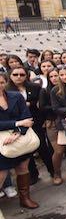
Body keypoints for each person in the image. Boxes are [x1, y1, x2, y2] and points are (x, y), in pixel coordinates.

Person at [7, 66, 53, 184]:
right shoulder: (7, 90)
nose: (19, 77)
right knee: (26, 151)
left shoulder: (35, 87)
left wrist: (31, 105)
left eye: (22, 75)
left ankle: (52, 170)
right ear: (10, 76)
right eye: (15, 75)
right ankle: (33, 174)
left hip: (36, 121)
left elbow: (41, 103)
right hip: (19, 124)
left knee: (43, 147)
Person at [0, 72, 38, 209]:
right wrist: (17, 123)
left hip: (20, 139)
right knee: (2, 173)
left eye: (1, 82)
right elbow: (21, 121)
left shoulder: (15, 96)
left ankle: (25, 198)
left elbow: (27, 118)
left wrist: (18, 132)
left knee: (22, 168)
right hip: (2, 142)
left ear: (5, 82)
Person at [39, 67, 66, 186]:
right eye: (51, 76)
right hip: (52, 122)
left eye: (56, 75)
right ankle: (56, 173)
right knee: (59, 150)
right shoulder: (45, 91)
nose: (54, 78)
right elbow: (42, 106)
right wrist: (56, 107)